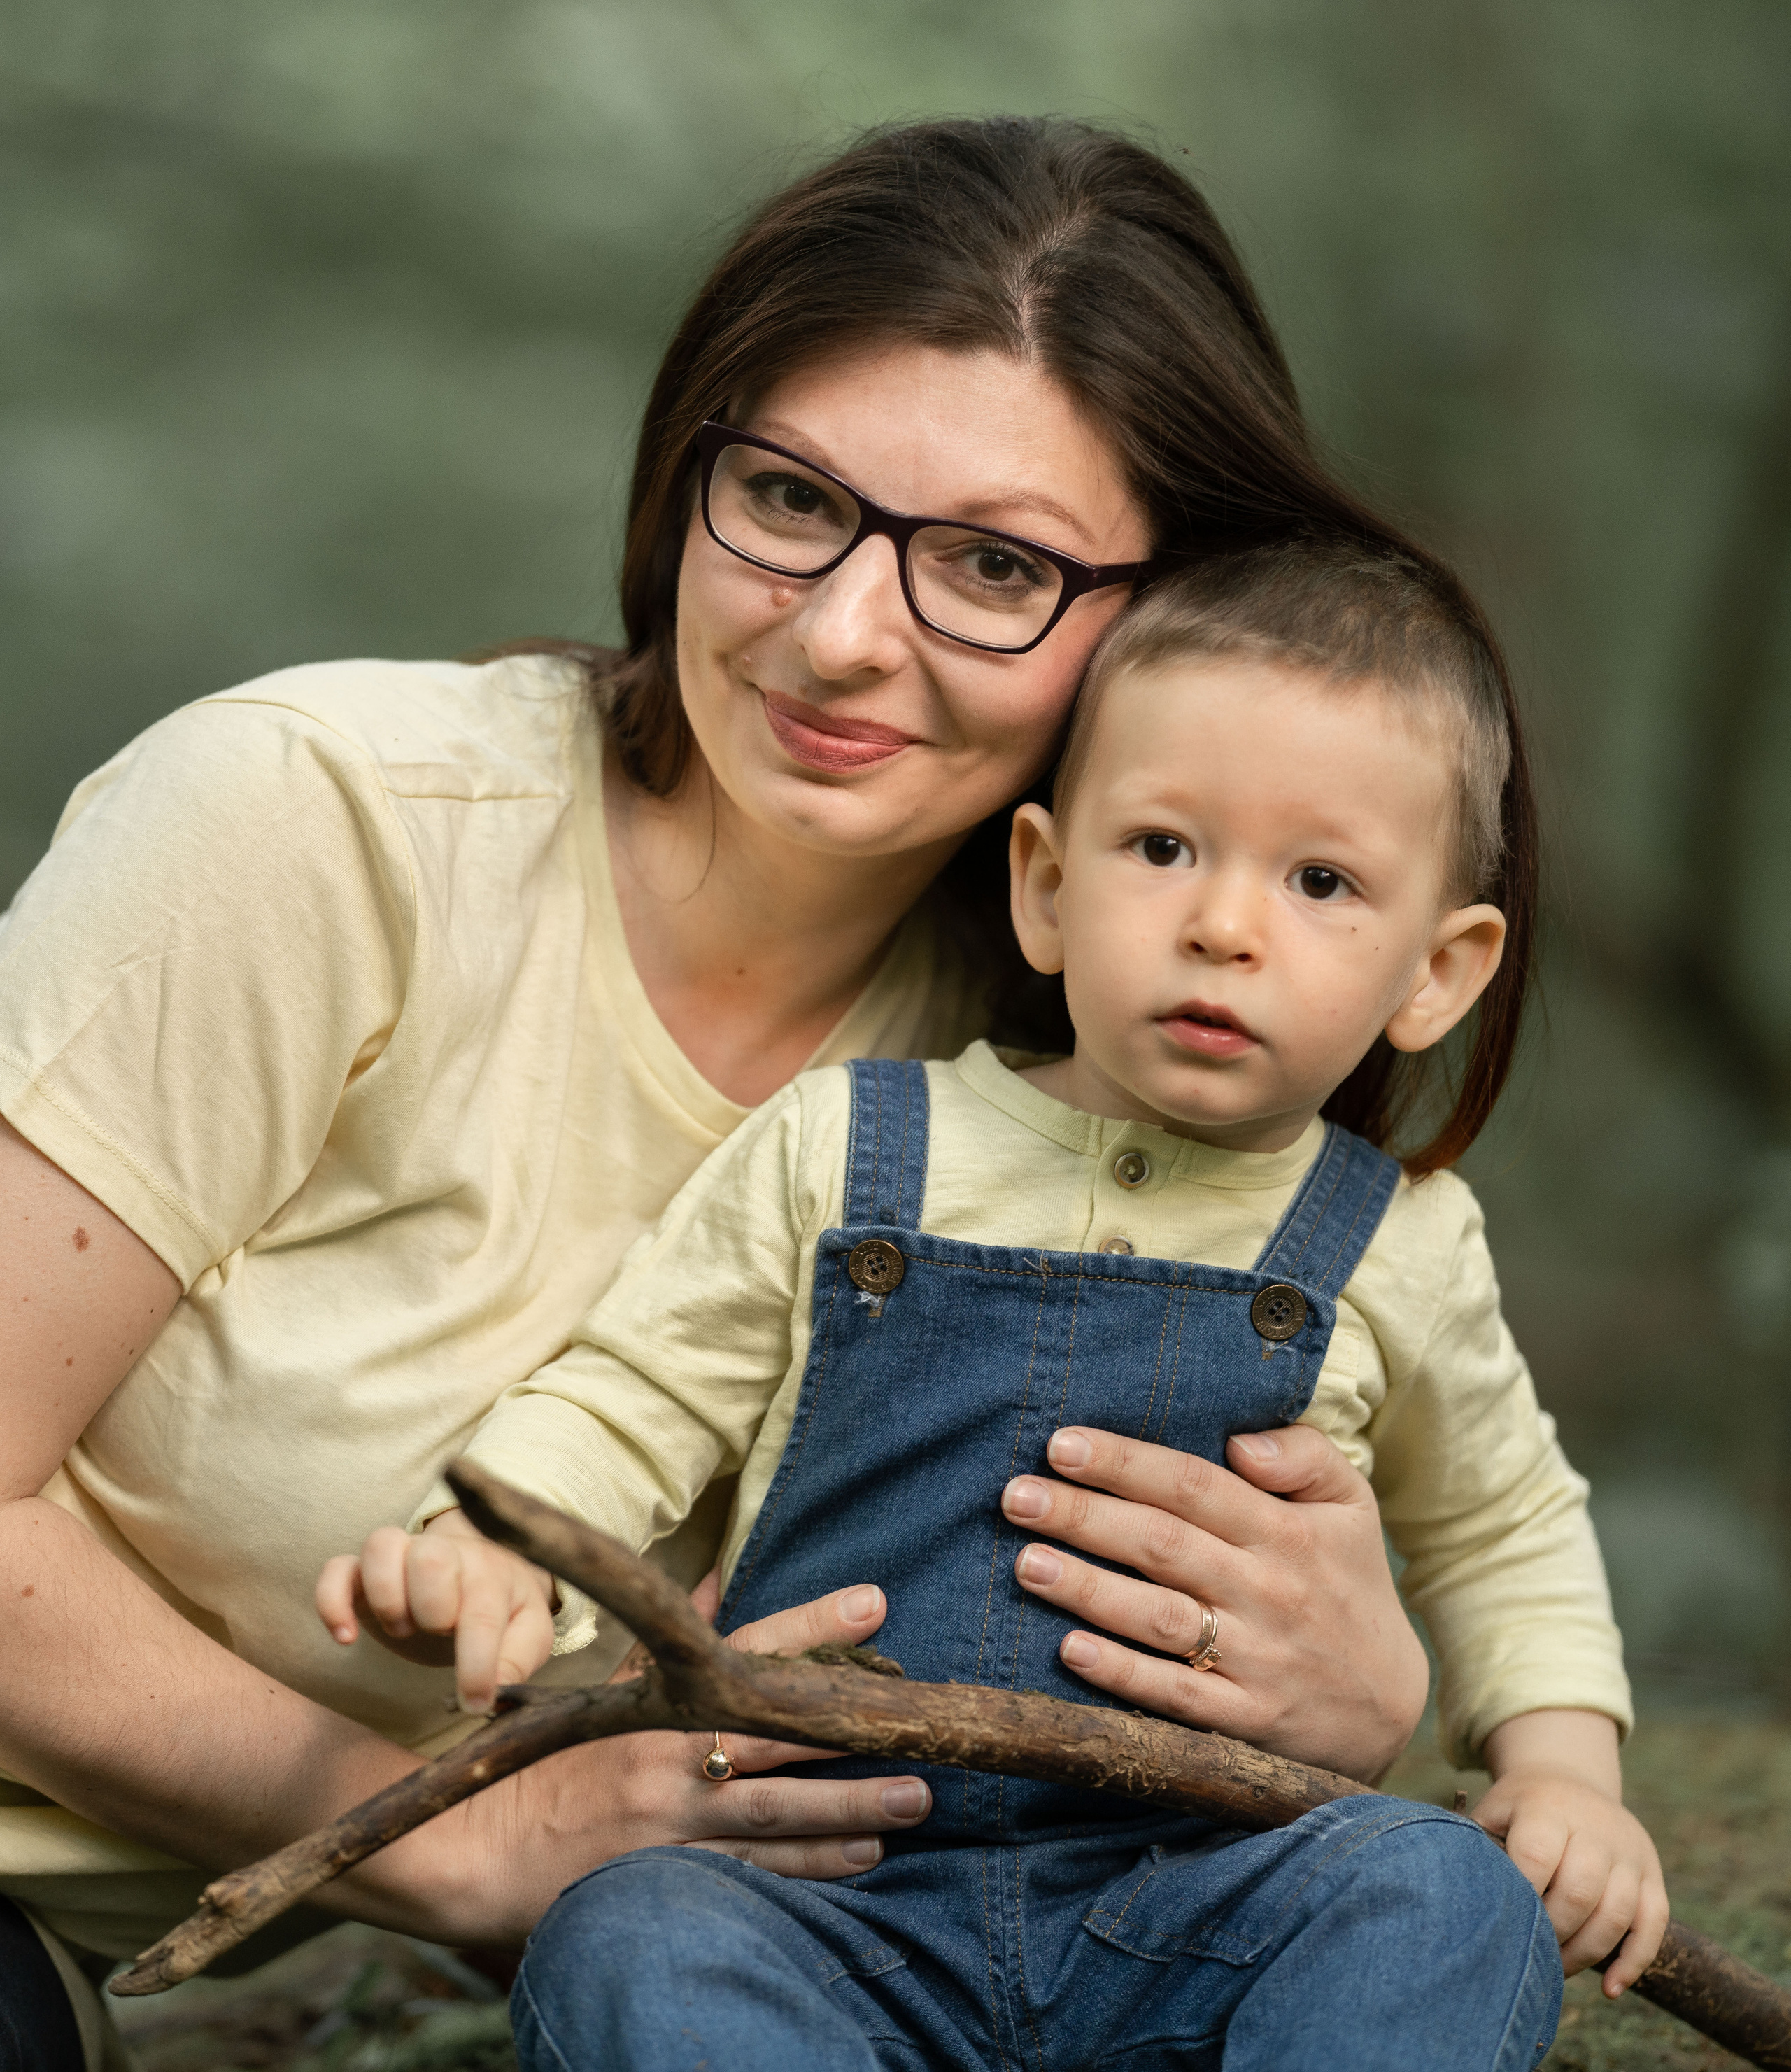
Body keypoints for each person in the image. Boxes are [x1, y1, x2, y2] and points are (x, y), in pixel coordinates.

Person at [3, 117, 1491, 2069]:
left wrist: (1340, 1684)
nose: (841, 631)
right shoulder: (323, 824)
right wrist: (476, 1845)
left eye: (994, 564)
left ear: (1167, 624)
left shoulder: (1096, 1089)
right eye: (789, 496)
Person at [327, 540, 1663, 2071]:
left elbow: (1500, 1524)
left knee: (1439, 1892)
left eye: (1317, 880)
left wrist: (1562, 1770)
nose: (1224, 922)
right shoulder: (848, 1145)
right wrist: (500, 1553)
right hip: (826, 1895)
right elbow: (638, 1394)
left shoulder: (1394, 1243)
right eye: (1160, 846)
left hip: (1197, 1898)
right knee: (631, 1933)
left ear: (1435, 970)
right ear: (1041, 881)